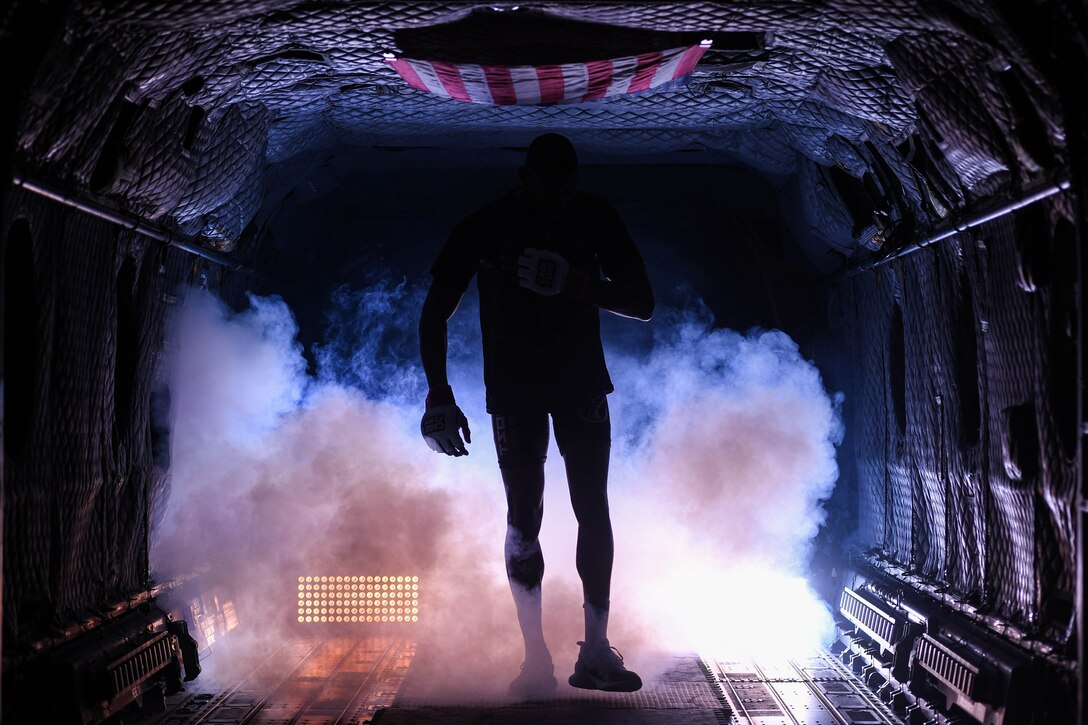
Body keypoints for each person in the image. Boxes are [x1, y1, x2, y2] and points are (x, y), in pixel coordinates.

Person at [418, 133, 654, 697]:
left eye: (565, 191)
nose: (556, 202)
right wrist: (438, 396)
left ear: (574, 184)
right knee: (523, 518)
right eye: (548, 191)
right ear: (525, 179)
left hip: (576, 383)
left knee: (591, 508)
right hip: (518, 390)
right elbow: (434, 314)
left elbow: (643, 303)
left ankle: (594, 651)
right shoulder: (486, 225)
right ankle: (535, 660)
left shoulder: (592, 216)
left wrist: (580, 285)